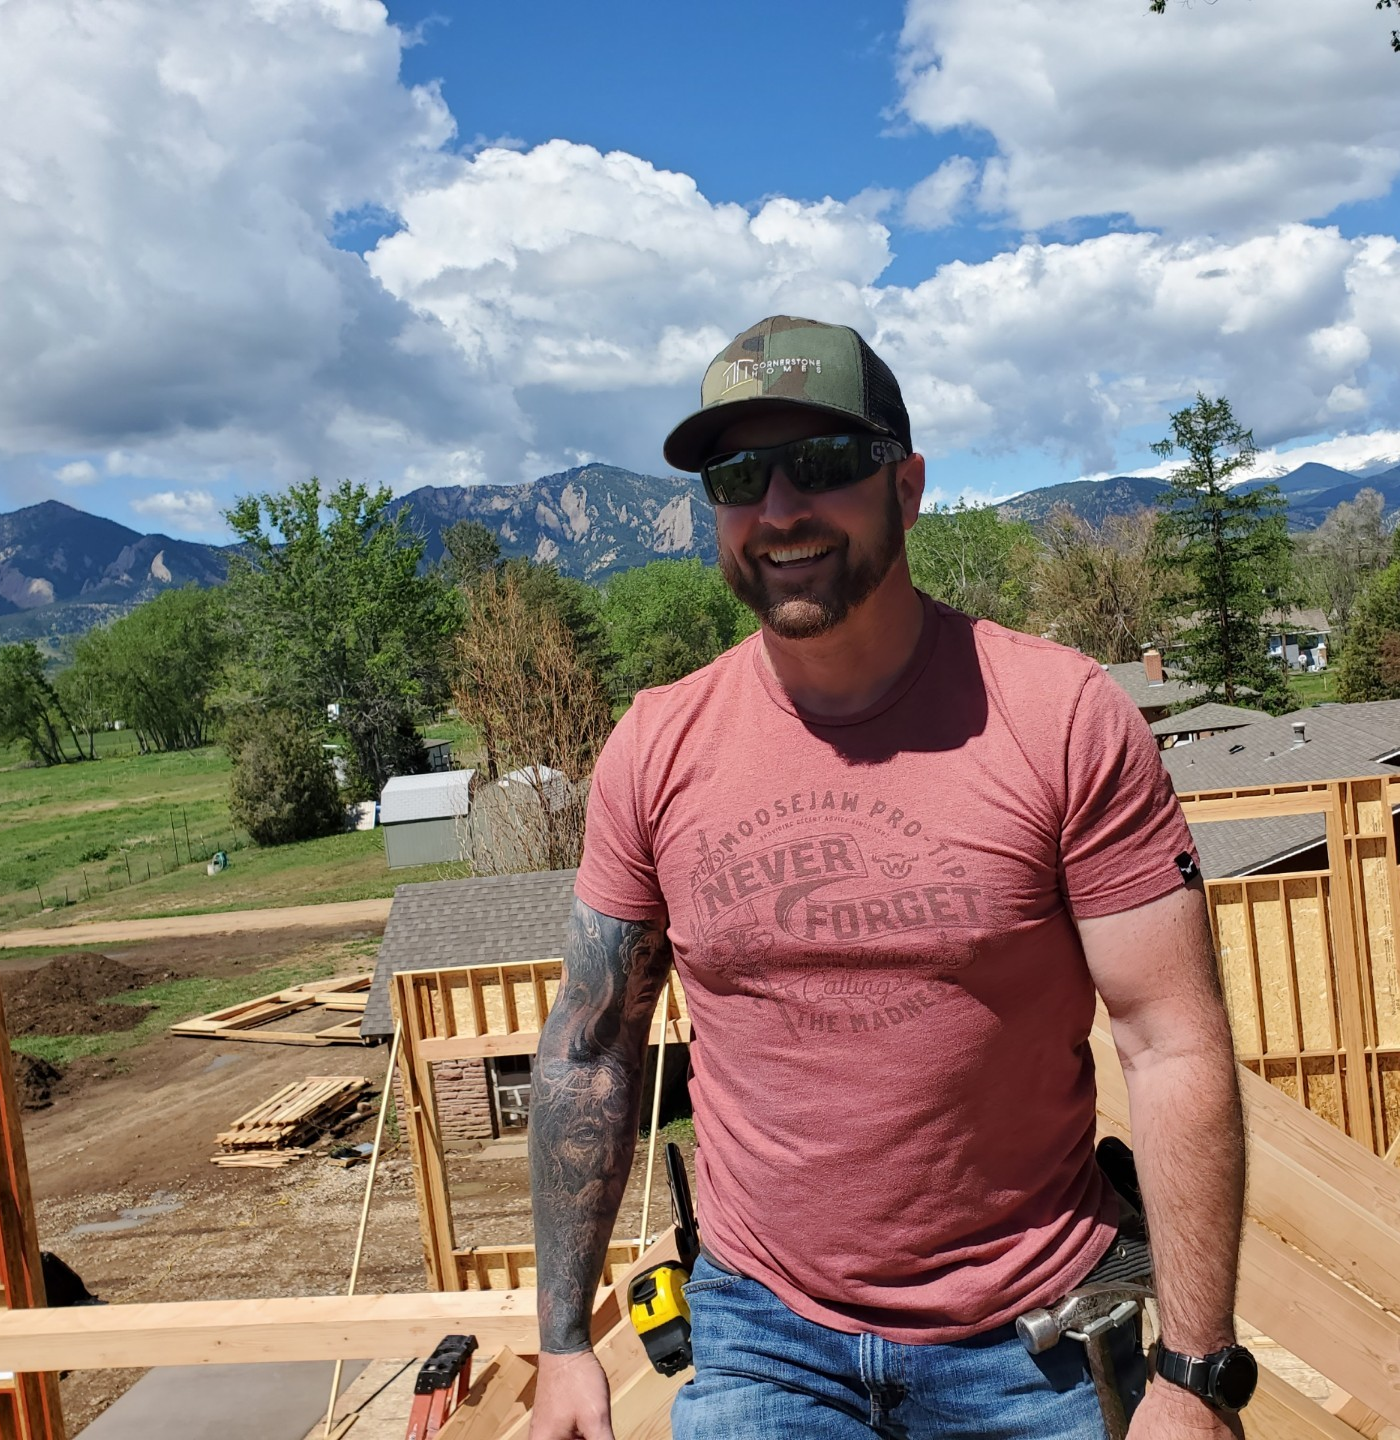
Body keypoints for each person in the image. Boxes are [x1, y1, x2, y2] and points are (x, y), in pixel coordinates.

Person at [528, 315, 1249, 1440]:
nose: (778, 509)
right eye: (737, 477)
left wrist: (1194, 1376)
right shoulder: (656, 747)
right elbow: (592, 1046)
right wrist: (565, 1342)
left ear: (906, 488)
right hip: (763, 1338)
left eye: (822, 463)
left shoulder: (1060, 719)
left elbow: (1171, 1042)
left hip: (1034, 1339)